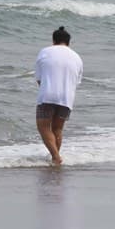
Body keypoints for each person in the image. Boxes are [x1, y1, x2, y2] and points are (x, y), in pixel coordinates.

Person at [35, 26, 83, 165]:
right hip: (67, 98)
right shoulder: (77, 57)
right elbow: (76, 81)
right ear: (68, 42)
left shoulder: (45, 52)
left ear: (53, 40)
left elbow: (39, 78)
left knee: (43, 127)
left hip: (47, 95)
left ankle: (56, 157)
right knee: (57, 128)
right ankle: (55, 158)